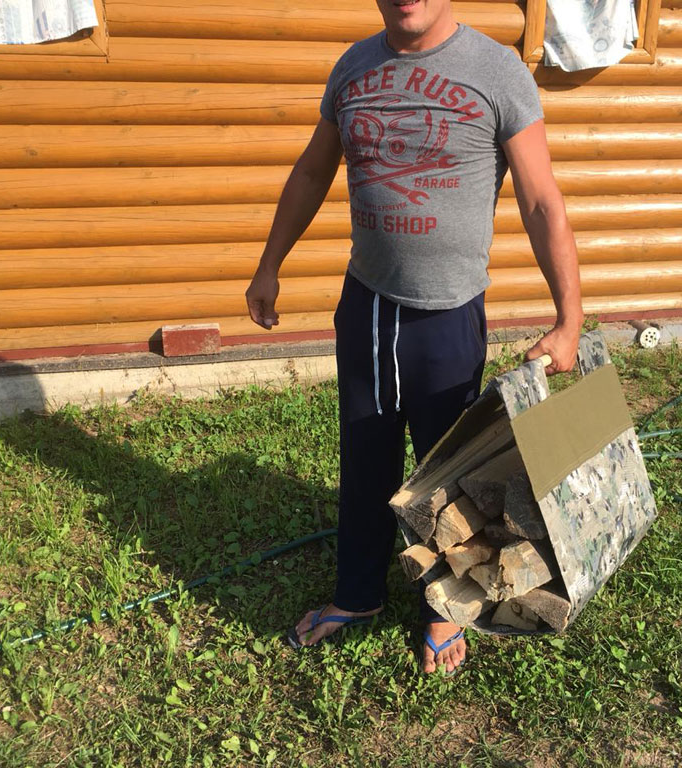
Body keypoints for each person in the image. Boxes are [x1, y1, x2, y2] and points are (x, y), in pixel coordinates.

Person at [245, 0, 583, 675]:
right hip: (367, 307)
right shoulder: (353, 68)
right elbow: (312, 170)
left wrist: (568, 319)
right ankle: (357, 594)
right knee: (364, 457)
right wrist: (268, 264)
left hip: (448, 318)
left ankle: (443, 610)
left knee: (448, 474)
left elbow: (541, 197)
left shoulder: (497, 71)